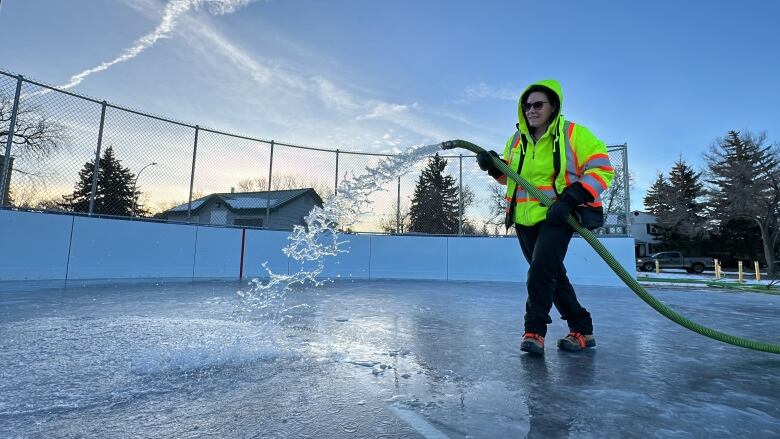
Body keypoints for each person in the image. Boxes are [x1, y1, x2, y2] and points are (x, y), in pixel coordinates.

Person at [477, 79, 614, 355]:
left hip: (558, 216)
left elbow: (602, 170)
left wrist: (571, 198)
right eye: (527, 106)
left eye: (538, 104)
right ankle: (583, 329)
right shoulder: (517, 140)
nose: (531, 110)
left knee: (540, 271)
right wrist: (493, 168)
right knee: (552, 274)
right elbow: (512, 178)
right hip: (524, 218)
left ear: (553, 106)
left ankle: (534, 331)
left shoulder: (574, 134)